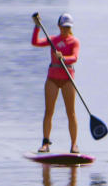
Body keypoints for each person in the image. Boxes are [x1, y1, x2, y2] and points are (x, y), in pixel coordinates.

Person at [31, 12, 80, 154]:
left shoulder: (74, 41)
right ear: (59, 26)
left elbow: (75, 57)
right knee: (49, 111)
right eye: (63, 27)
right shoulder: (53, 39)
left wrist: (63, 58)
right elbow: (35, 42)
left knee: (71, 113)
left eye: (67, 27)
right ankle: (45, 143)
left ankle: (74, 145)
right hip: (52, 79)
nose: (65, 29)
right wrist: (37, 27)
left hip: (68, 80)